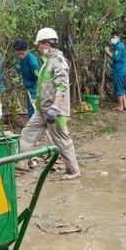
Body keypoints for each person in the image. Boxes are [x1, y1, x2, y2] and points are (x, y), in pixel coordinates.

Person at [18, 28, 81, 180]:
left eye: (39, 45)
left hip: (54, 112)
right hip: (42, 110)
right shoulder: (48, 62)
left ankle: (73, 171)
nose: (38, 48)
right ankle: (20, 165)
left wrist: (55, 107)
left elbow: (62, 86)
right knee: (27, 134)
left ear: (46, 44)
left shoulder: (58, 63)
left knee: (62, 140)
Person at [14, 39, 41, 117]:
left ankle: (33, 128)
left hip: (35, 89)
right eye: (18, 53)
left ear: (27, 50)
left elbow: (39, 79)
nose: (20, 56)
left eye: (22, 53)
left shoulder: (33, 62)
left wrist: (35, 95)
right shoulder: (22, 59)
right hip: (28, 88)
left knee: (33, 109)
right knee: (30, 109)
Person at [105, 31, 126, 111]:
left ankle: (120, 106)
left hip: (119, 70)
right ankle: (125, 105)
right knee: (122, 87)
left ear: (118, 37)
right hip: (123, 69)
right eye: (112, 37)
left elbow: (116, 58)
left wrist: (108, 52)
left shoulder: (119, 46)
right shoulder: (121, 45)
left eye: (114, 37)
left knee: (119, 87)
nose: (113, 39)